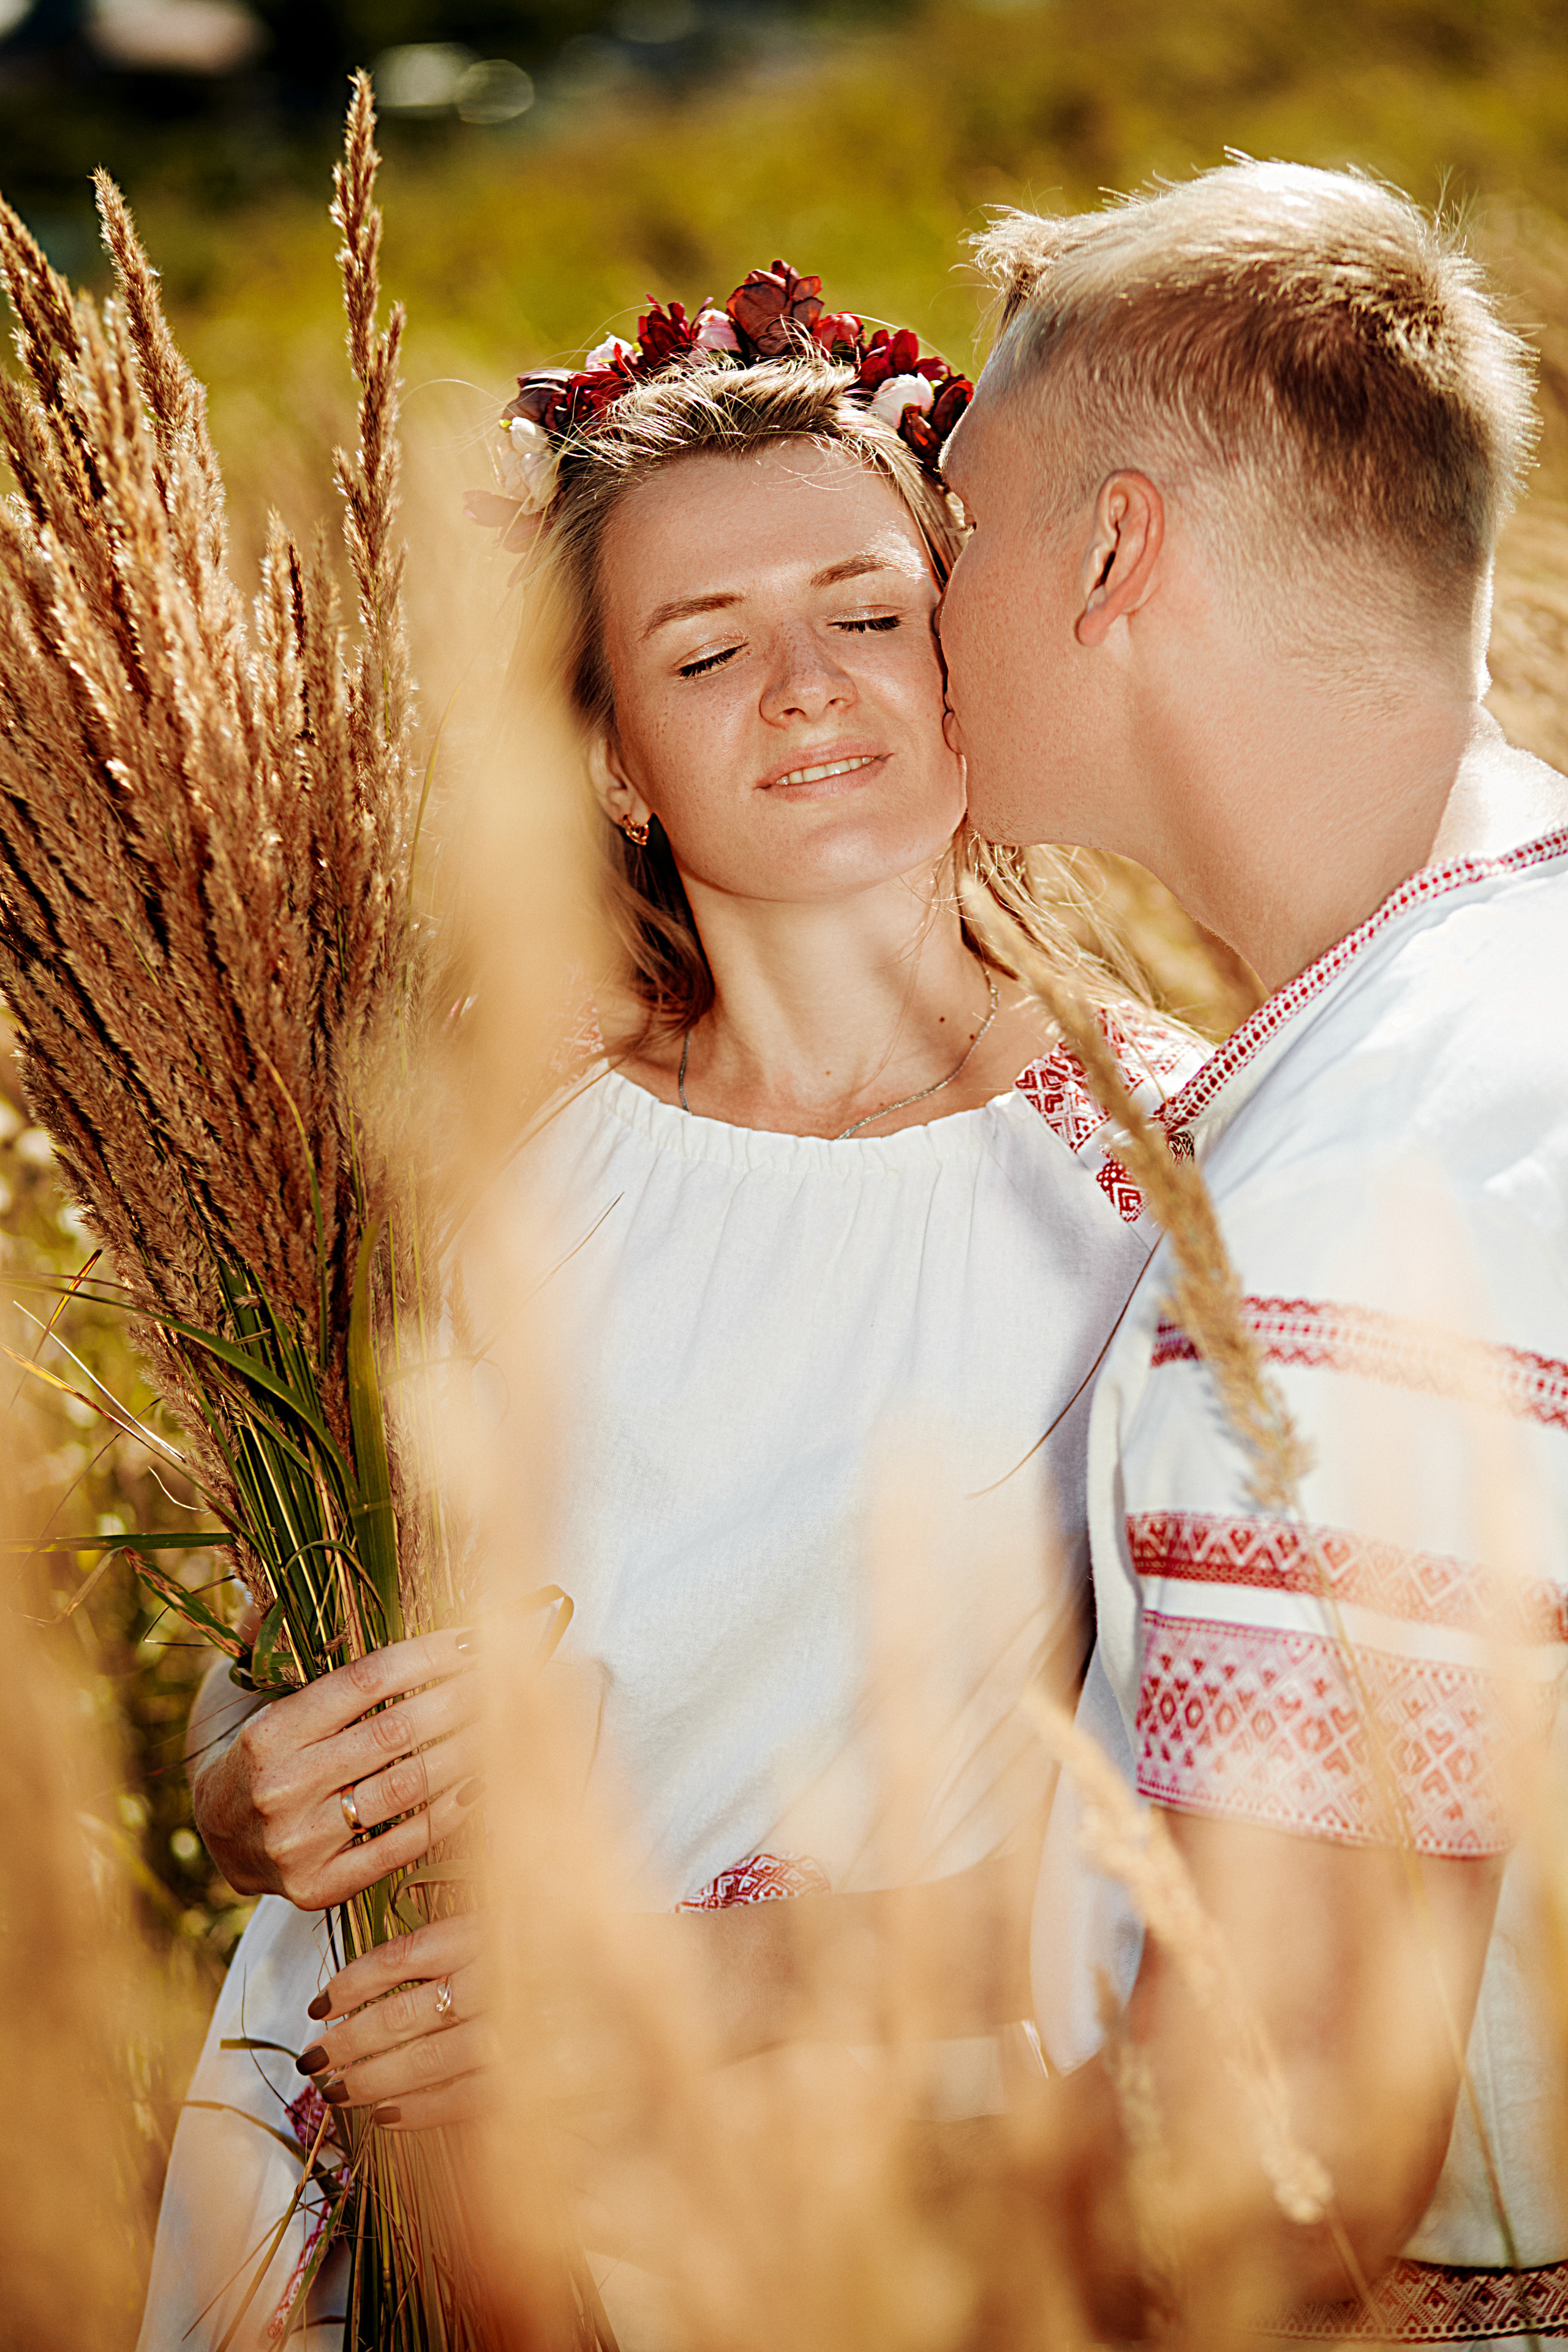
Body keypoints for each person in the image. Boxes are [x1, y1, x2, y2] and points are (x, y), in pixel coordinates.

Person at [140, 269, 1200, 2348]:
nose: (806, 684)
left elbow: (1246, 1859)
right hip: (369, 2159)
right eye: (706, 651)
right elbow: (284, 1660)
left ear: (973, 648)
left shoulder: (1166, 1176)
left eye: (868, 611)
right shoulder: (483, 1153)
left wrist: (681, 1989)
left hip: (821, 2208)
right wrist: (243, 1789)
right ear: (616, 761)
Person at [937, 161, 1568, 2342]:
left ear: (1112, 552)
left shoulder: (1340, 1219)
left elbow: (1267, 2175)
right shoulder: (1494, 1019)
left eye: (962, 533)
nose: (925, 609)